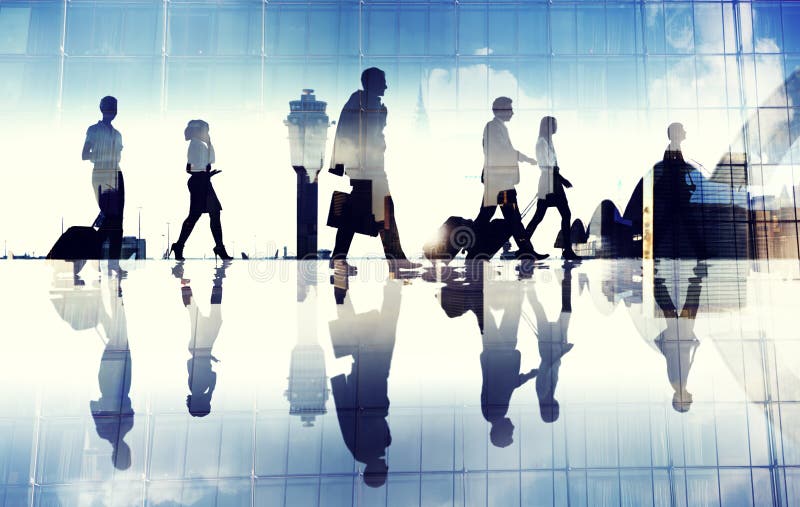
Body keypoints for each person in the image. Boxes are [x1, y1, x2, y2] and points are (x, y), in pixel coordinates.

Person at [327, 67, 419, 272]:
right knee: (381, 210)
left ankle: (341, 257)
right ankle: (395, 259)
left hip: (369, 167)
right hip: (365, 167)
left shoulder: (369, 103)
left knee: (364, 212)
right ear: (372, 82)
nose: (386, 86)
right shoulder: (360, 102)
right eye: (383, 81)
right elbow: (350, 133)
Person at [474, 97, 547, 261]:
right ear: (500, 110)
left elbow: (506, 150)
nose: (512, 112)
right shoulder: (493, 127)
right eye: (509, 109)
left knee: (489, 215)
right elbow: (504, 151)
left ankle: (471, 241)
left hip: (497, 181)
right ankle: (525, 250)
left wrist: (524, 158)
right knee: (511, 217)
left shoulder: (497, 127)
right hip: (501, 182)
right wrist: (526, 159)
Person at [170, 120, 232, 261]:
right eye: (206, 131)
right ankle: (181, 245)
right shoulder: (196, 145)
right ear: (199, 131)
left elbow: (200, 164)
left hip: (202, 182)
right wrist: (204, 173)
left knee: (211, 214)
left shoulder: (197, 145)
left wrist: (206, 173)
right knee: (198, 216)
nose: (207, 134)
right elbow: (192, 168)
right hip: (200, 183)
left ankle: (218, 246)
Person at [82, 95, 126, 276]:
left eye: (114, 107)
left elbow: (118, 156)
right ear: (102, 108)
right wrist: (103, 158)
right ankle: (88, 254)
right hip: (101, 173)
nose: (112, 111)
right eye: (109, 107)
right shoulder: (93, 130)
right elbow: (85, 154)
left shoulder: (117, 134)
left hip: (116, 173)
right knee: (109, 216)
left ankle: (113, 263)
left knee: (118, 220)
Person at [525, 116, 580, 260]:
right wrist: (562, 180)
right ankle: (567, 250)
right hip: (551, 181)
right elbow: (547, 166)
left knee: (539, 216)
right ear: (548, 126)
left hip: (549, 180)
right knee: (562, 214)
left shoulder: (546, 142)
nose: (556, 127)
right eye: (554, 125)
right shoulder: (542, 142)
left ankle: (523, 246)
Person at [653, 122, 707, 260]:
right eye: (683, 129)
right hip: (676, 196)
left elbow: (674, 174)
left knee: (673, 225)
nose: (685, 132)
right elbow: (673, 174)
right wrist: (686, 187)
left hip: (676, 195)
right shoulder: (673, 149)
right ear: (677, 133)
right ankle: (701, 253)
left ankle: (701, 253)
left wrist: (687, 186)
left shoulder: (674, 149)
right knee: (687, 225)